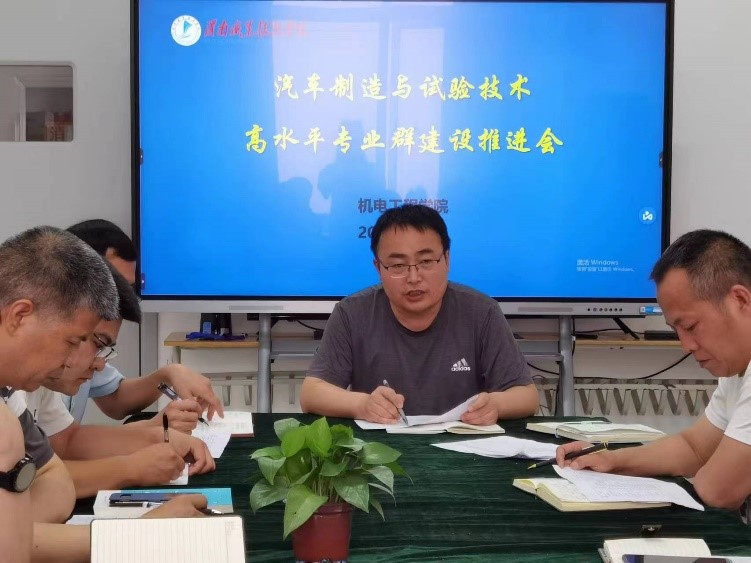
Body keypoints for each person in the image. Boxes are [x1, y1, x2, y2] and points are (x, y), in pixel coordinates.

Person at [0, 226, 205, 562]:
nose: (72, 360)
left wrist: (18, 523)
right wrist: (136, 536)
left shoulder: (10, 392)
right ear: (19, 315)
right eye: (74, 341)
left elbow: (58, 482)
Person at [555, 229, 751, 514]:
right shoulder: (737, 367)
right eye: (676, 331)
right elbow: (694, 448)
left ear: (740, 300)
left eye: (691, 326)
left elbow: (719, 491)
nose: (686, 346)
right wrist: (613, 460)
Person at [300, 204, 538, 424]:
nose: (413, 278)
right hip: (380, 448)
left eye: (426, 261)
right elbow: (312, 393)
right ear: (378, 268)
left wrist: (496, 404)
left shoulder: (481, 311)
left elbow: (527, 396)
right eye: (398, 265)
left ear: (447, 259)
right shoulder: (352, 313)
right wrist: (362, 405)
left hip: (462, 446)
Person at [13, 266, 215, 499]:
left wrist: (160, 437)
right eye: (90, 341)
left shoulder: (38, 378)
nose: (100, 365)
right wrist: (132, 468)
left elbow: (67, 441)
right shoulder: (26, 378)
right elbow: (33, 484)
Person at [66, 219, 223, 430]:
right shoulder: (39, 370)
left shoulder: (88, 352)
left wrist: (168, 374)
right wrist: (155, 429)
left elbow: (114, 401)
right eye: (114, 286)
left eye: (129, 289)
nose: (122, 299)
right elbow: (65, 445)